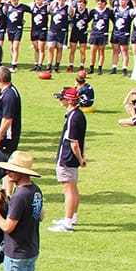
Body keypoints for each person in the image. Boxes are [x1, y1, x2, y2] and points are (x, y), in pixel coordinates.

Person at [50, 86, 87, 232]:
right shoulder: (78, 115)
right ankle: (72, 217)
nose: (60, 101)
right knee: (73, 188)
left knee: (69, 190)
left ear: (70, 101)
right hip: (72, 158)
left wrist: (80, 158)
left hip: (67, 158)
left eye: (62, 98)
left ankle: (67, 223)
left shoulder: (73, 117)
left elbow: (74, 143)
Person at [0, 67, 20, 155]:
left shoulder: (9, 96)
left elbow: (7, 119)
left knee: (3, 159)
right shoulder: (5, 91)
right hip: (2, 135)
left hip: (6, 137)